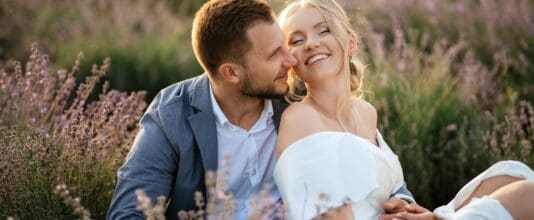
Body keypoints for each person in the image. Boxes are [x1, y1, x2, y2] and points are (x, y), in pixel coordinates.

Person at [107, 0, 414, 219]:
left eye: (285, 45)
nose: (291, 60)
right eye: (274, 54)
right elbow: (128, 212)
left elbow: (373, 162)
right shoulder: (173, 114)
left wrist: (401, 204)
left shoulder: (295, 96)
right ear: (232, 73)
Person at [273, 0, 534, 219]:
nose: (311, 43)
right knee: (526, 195)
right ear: (291, 64)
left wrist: (409, 208)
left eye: (323, 30)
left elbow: (390, 190)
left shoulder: (365, 113)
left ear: (350, 44)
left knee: (511, 173)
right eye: (296, 40)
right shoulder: (300, 118)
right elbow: (321, 213)